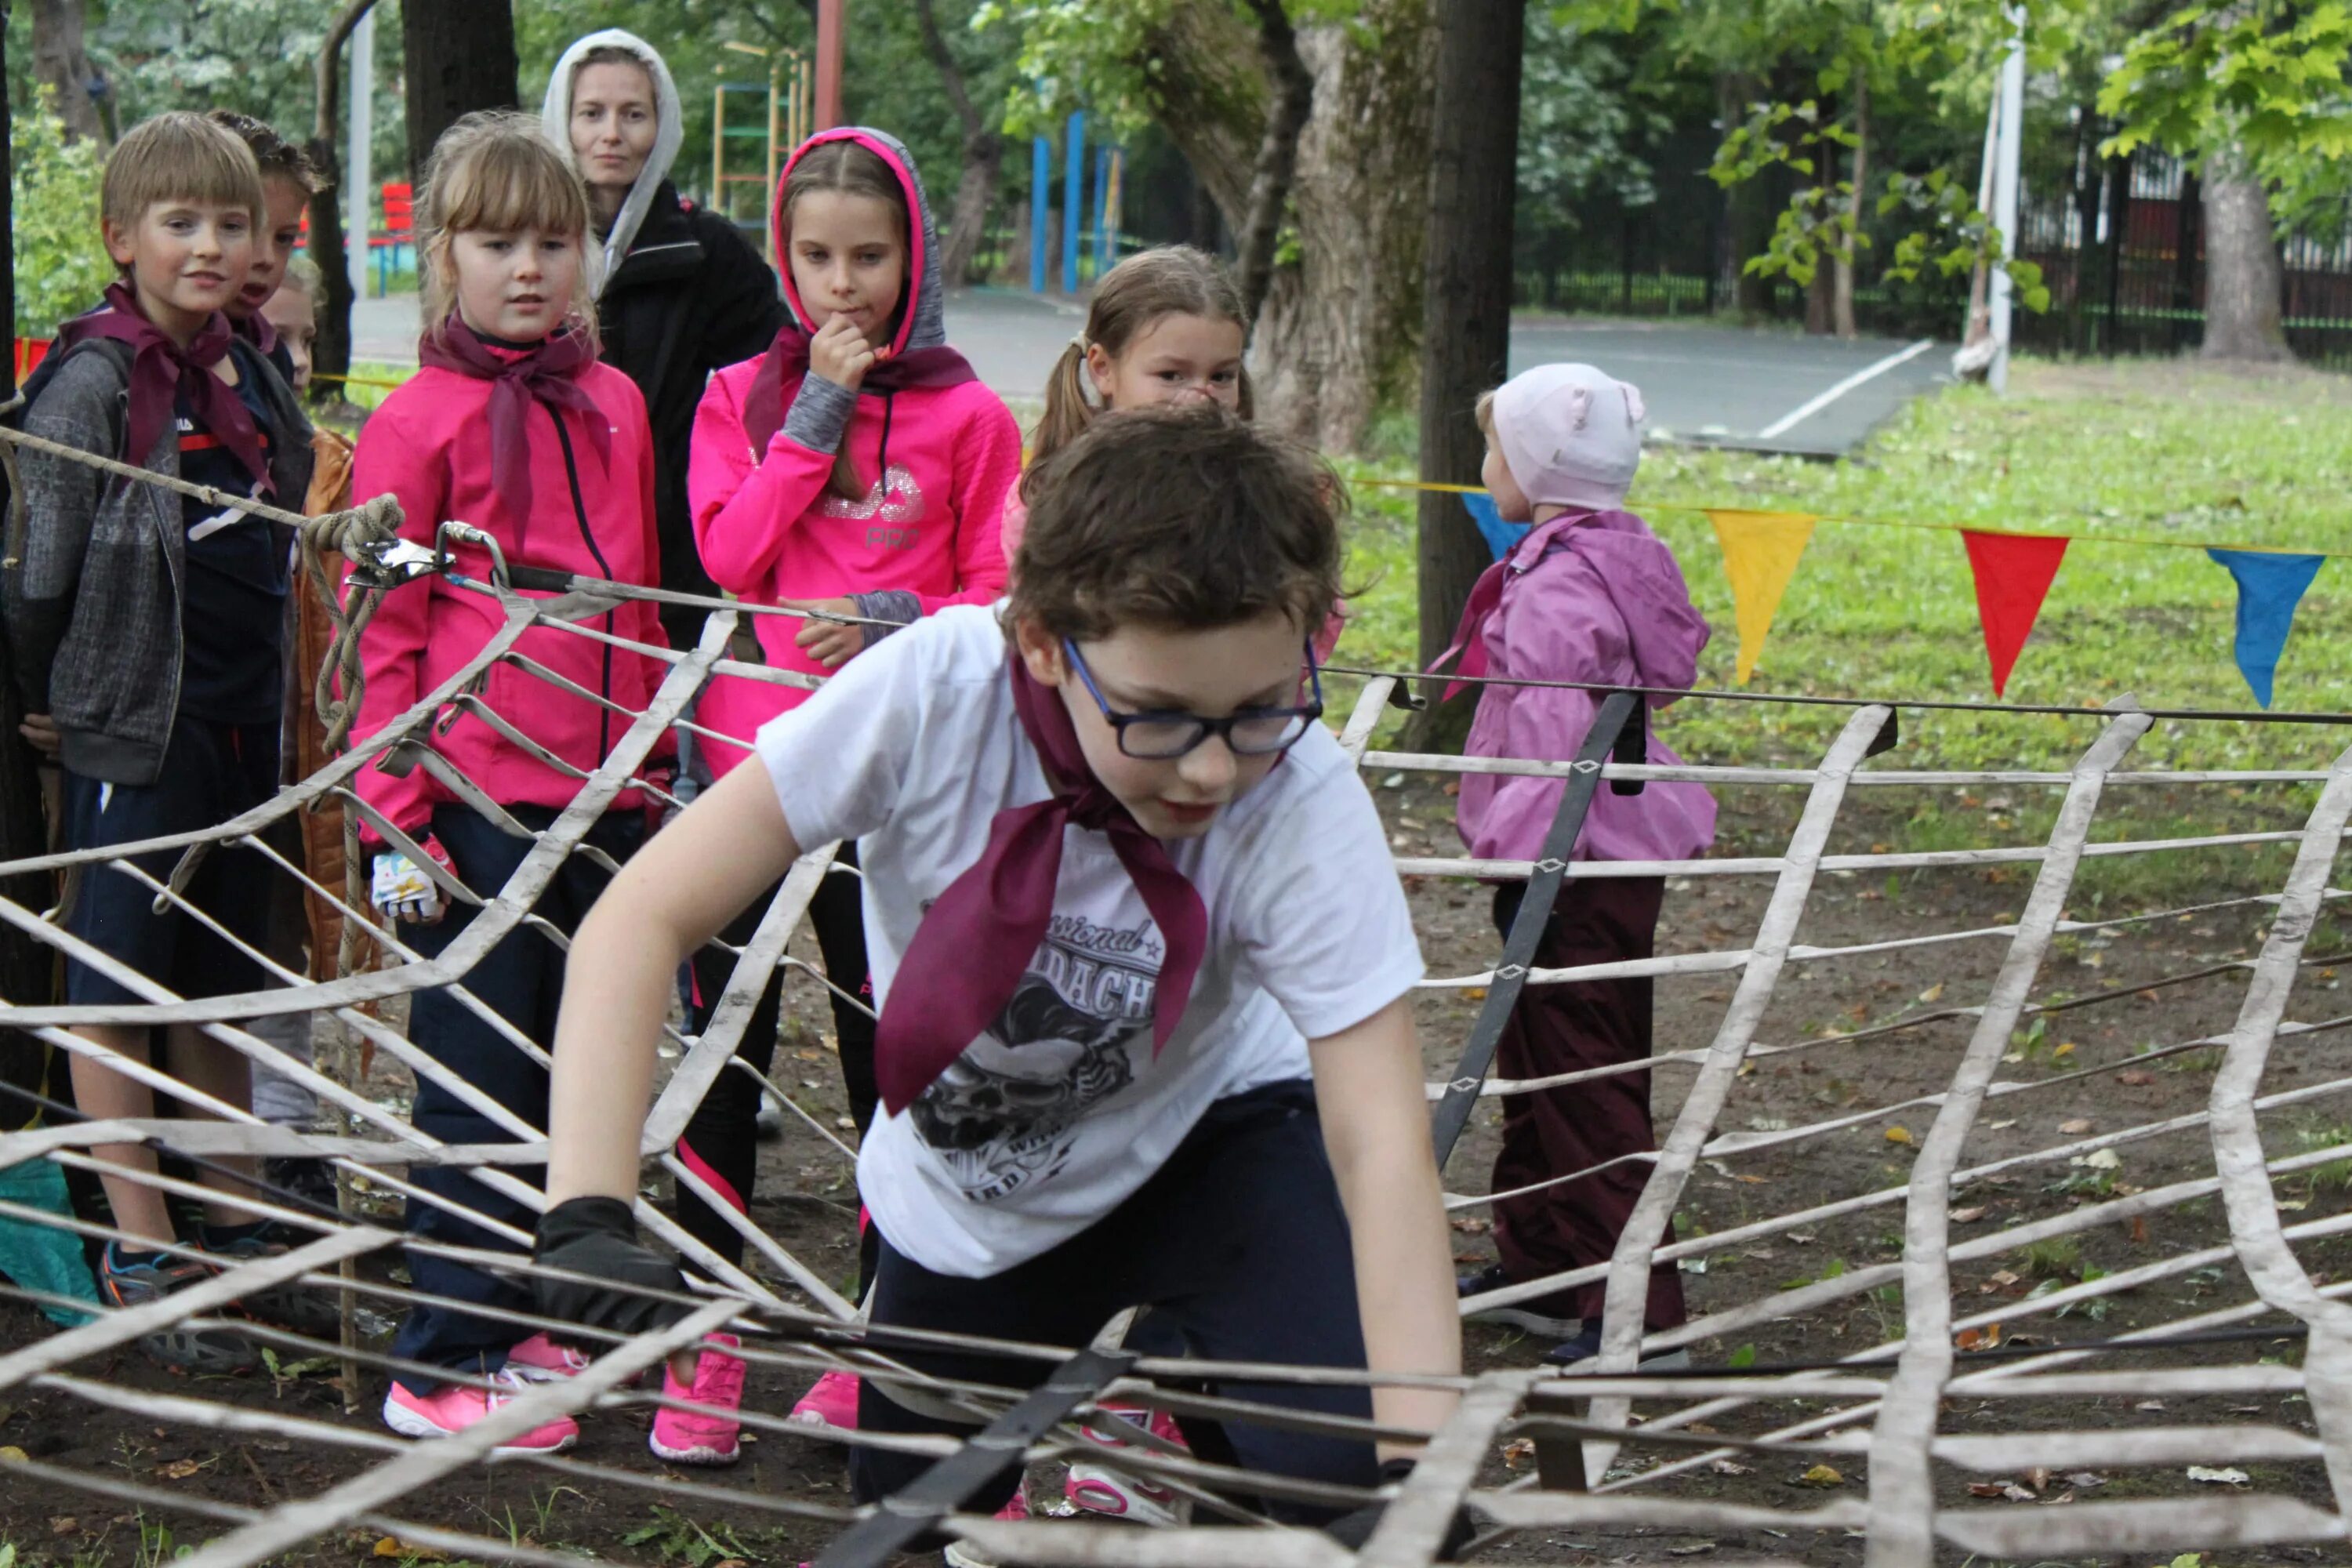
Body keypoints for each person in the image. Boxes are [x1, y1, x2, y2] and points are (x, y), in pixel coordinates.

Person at [533, 408, 1464, 1563]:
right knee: (907, 1520)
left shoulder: (1298, 795)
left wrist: (1418, 1451)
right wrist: (586, 1207)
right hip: (976, 1186)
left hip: (1215, 1134)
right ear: (1037, 642)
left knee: (1342, 1476)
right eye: (1160, 716)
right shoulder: (932, 691)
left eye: (1262, 709)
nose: (1216, 767)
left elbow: (1379, 1136)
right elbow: (641, 915)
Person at [347, 111, 728, 1461]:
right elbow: (380, 642)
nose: (528, 268)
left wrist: (652, 773)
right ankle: (439, 1354)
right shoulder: (411, 426)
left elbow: (631, 598)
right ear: (442, 252)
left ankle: (526, 1318)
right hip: (469, 814)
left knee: (582, 1070)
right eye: (497, 241)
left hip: (608, 802)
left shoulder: (617, 402)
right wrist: (391, 828)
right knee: (473, 1076)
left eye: (554, 241)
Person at [681, 125, 1021, 1432]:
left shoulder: (973, 414)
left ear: (915, 255)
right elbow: (730, 557)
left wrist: (891, 617)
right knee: (727, 1052)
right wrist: (813, 412)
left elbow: (995, 595)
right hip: (750, 773)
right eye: (816, 256)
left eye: (869, 257)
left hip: (907, 788)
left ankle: (882, 1337)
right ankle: (714, 1345)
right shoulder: (735, 397)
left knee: (900, 1053)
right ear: (783, 256)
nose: (841, 286)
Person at [1, 111, 318, 1371]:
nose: (210, 246)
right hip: (137, 727)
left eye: (231, 224)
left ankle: (233, 1225)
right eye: (180, 223)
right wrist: (55, 697)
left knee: (222, 976)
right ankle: (143, 1249)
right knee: (116, 984)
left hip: (247, 719)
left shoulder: (253, 366)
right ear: (120, 238)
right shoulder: (91, 381)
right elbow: (39, 572)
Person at [1442, 363, 1716, 1368]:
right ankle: (1546, 1266)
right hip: (1601, 857)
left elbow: (1554, 750)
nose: (1486, 469)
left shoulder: (1559, 587)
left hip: (1568, 861)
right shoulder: (1613, 555)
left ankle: (1638, 1308)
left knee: (1586, 1077)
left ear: (1536, 464)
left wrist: (1524, 866)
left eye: (1494, 450)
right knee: (1539, 1058)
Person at [541, 29, 789, 654]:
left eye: (634, 114)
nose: (612, 135)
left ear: (663, 123)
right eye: (592, 113)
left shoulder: (705, 250)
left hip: (667, 539)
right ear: (562, 120)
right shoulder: (528, 241)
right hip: (543, 527)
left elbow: (779, 370)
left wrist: (725, 483)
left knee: (659, 717)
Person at [1003, 245, 1250, 564]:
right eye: (1172, 375)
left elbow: (1309, 604)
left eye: (1221, 376)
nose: (1201, 398)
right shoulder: (1047, 499)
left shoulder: (1263, 496)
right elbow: (1036, 609)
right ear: (1103, 368)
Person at [206, 111, 316, 390]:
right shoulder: (118, 359)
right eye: (240, 228)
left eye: (284, 238)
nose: (266, 259)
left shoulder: (272, 357)